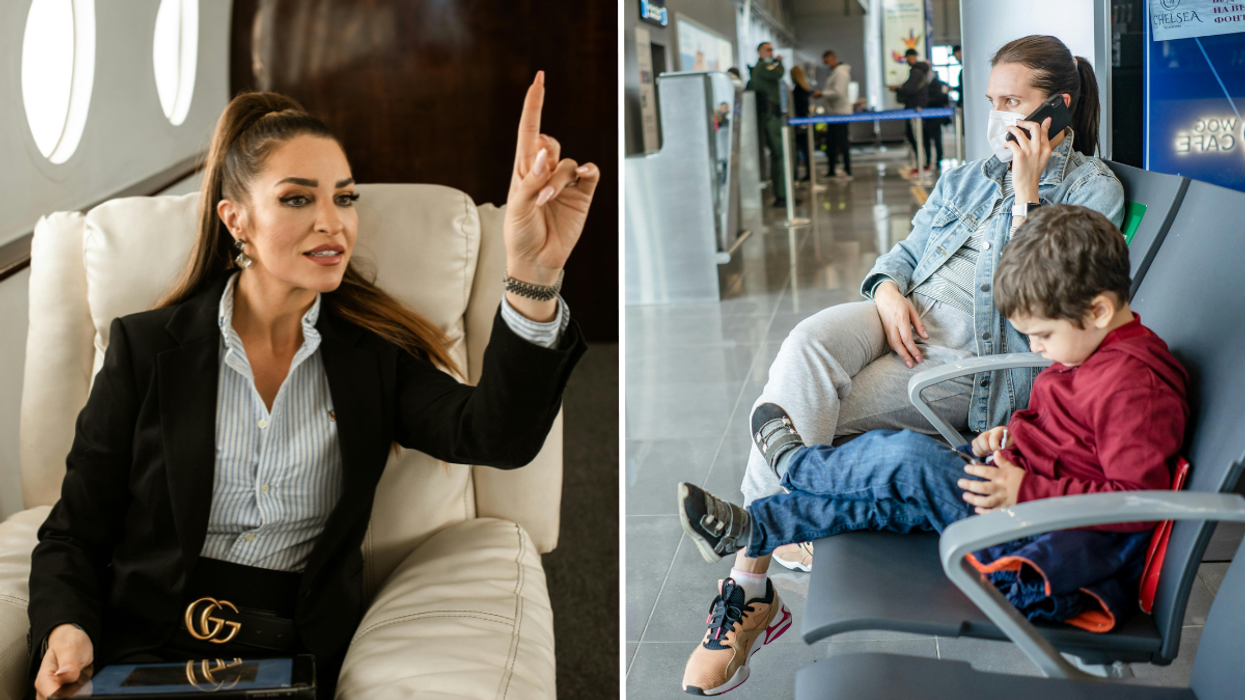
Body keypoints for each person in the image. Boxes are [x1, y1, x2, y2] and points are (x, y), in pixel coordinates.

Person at [26, 74, 598, 700]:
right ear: (236, 220)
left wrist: (533, 273)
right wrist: (65, 627)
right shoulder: (145, 350)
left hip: (292, 662)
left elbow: (497, 437)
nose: (332, 223)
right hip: (144, 653)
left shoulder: (372, 360)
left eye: (344, 199)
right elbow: (73, 532)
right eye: (298, 199)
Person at [680, 34, 1123, 694]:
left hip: (971, 358)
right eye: (992, 101)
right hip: (904, 315)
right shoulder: (969, 176)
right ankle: (775, 540)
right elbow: (906, 253)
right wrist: (887, 291)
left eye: (1012, 102)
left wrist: (1026, 196)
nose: (998, 116)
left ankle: (747, 584)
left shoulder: (1093, 190)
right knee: (806, 344)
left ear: (1056, 107)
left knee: (807, 416)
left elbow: (1037, 304)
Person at [679, 204, 1188, 694]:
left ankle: (799, 465)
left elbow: (1134, 501)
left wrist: (1024, 489)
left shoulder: (1134, 387)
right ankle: (756, 528)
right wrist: (1010, 435)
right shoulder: (1090, 350)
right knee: (880, 499)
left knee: (908, 461)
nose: (1035, 349)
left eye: (1042, 335)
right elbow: (1073, 438)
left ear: (1098, 310)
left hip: (1040, 561)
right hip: (1015, 509)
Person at [746, 42, 790, 208]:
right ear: (760, 52)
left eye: (772, 50)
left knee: (779, 155)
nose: (771, 53)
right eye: (768, 50)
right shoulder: (763, 67)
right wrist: (780, 62)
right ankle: (781, 194)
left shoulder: (763, 68)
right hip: (771, 116)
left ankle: (782, 193)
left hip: (772, 114)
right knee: (780, 153)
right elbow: (779, 73)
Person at [891, 48, 934, 174]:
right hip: (919, 108)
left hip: (915, 109)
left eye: (907, 57)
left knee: (917, 137)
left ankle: (923, 165)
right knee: (920, 136)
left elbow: (910, 89)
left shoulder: (916, 72)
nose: (907, 60)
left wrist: (897, 89)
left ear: (911, 56)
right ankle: (924, 164)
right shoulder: (921, 71)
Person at [817, 50, 852, 180]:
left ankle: (848, 170)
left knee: (842, 143)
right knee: (830, 143)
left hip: (840, 114)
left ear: (832, 59)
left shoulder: (841, 73)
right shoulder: (833, 73)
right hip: (832, 114)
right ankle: (831, 170)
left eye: (826, 62)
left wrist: (822, 94)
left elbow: (838, 93)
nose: (825, 65)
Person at [790, 65, 813, 181]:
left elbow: (799, 108)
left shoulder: (798, 90)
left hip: (800, 124)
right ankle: (808, 174)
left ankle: (798, 175)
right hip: (803, 123)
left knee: (800, 150)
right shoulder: (804, 89)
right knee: (805, 149)